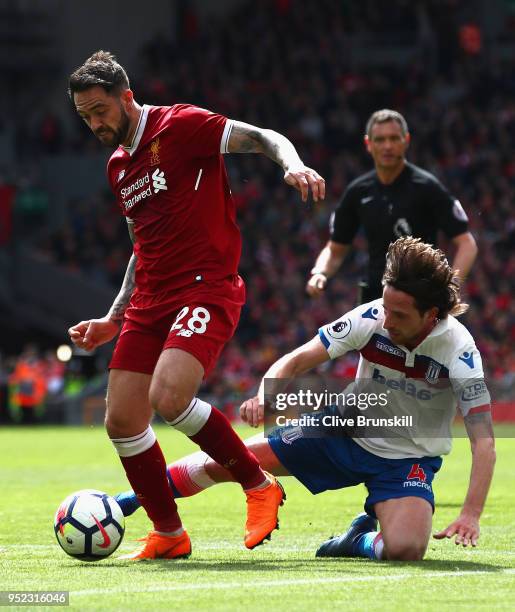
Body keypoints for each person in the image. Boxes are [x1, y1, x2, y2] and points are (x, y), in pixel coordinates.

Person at [66, 50, 325, 560]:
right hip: (150, 298)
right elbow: (141, 248)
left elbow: (265, 138)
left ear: (126, 97)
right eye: (84, 117)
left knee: (168, 395)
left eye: (100, 110)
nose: (95, 123)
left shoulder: (180, 126)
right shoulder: (118, 167)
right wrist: (113, 319)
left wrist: (294, 166)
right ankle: (168, 532)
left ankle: (258, 485)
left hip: (206, 284)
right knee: (121, 420)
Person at [116, 237, 495, 561]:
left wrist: (471, 514)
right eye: (385, 308)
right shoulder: (371, 318)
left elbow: (484, 442)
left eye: (399, 314)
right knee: (230, 462)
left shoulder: (459, 350)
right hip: (341, 431)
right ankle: (123, 503)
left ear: (431, 314)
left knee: (407, 549)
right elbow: (296, 359)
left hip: (406, 458)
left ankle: (356, 541)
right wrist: (267, 395)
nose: (387, 320)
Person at [306, 109, 478, 303]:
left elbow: (466, 243)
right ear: (368, 144)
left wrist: (451, 288)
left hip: (421, 303)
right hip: (375, 300)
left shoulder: (428, 188)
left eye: (394, 138)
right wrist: (320, 272)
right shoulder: (358, 192)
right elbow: (335, 250)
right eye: (380, 140)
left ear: (406, 140)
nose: (387, 146)